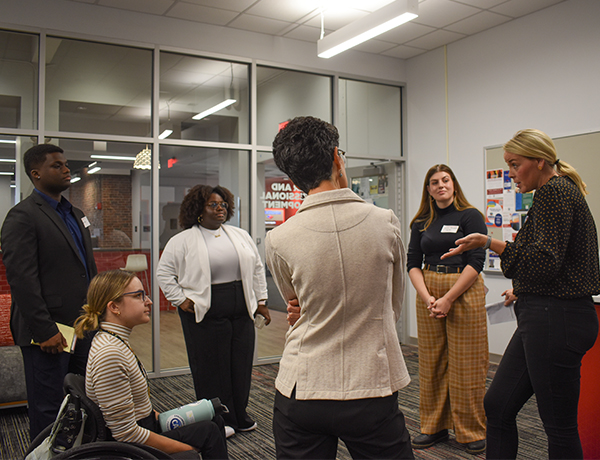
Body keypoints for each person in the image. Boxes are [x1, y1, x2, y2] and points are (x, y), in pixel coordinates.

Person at [442, 128, 600, 459]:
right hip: (546, 314)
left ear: (539, 161)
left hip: (556, 318)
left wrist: (490, 243)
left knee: (559, 427)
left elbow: (542, 262)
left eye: (515, 165)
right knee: (497, 405)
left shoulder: (554, 193)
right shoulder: (559, 191)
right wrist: (520, 283)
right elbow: (553, 262)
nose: (511, 174)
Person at [266, 116, 414, 460]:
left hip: (300, 387)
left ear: (293, 176)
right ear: (337, 158)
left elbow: (296, 304)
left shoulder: (279, 238)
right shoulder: (385, 222)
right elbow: (393, 305)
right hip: (369, 386)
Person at [73, 270, 228, 459]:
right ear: (114, 307)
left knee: (214, 419)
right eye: (139, 296)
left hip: (144, 424)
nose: (149, 302)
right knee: (209, 434)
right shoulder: (110, 354)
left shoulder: (113, 340)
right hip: (129, 448)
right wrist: (186, 448)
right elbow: (126, 435)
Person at [1, 143, 98, 439]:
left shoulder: (75, 213)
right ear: (36, 174)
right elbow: (23, 281)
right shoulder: (23, 216)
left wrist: (97, 314)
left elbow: (85, 268)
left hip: (83, 323)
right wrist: (44, 331)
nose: (66, 169)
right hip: (49, 329)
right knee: (49, 405)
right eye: (57, 165)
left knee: (83, 398)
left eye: (66, 164)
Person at [156, 185, 269, 434]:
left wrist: (261, 301)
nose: (220, 209)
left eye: (223, 204)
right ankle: (218, 419)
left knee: (240, 365)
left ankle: (239, 414)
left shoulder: (239, 234)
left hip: (241, 310)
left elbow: (257, 268)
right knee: (211, 368)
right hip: (204, 313)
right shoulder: (182, 240)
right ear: (198, 210)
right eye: (213, 205)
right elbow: (164, 273)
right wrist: (180, 299)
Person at [406, 164, 488, 454]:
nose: (440, 185)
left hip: (462, 290)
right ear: (428, 189)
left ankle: (470, 431)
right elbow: (413, 263)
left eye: (445, 180)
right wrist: (428, 296)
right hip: (428, 289)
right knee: (431, 362)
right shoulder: (421, 222)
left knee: (467, 363)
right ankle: (434, 426)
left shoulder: (470, 215)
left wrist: (449, 298)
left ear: (454, 184)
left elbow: (476, 261)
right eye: (434, 182)